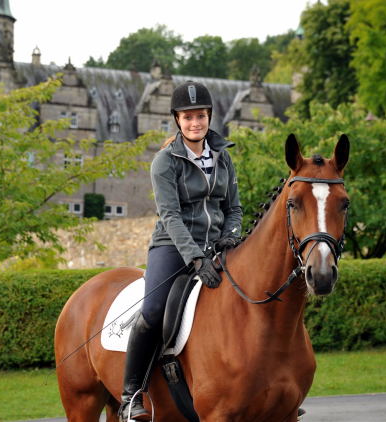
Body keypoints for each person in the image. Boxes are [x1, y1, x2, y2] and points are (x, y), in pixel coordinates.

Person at [119, 81, 243, 422]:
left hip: (217, 246)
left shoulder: (223, 157)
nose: (195, 123)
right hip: (172, 247)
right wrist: (196, 257)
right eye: (188, 117)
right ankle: (131, 396)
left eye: (200, 116)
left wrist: (232, 236)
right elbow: (170, 216)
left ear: (209, 117)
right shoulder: (164, 162)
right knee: (154, 309)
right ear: (177, 120)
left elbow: (234, 208)